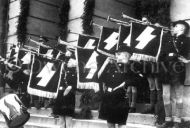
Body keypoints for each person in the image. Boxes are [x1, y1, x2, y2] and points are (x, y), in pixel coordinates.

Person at [158, 20, 190, 128]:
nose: (173, 27)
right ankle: (168, 120)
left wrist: (187, 60)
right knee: (165, 95)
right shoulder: (168, 39)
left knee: (178, 96)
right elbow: (162, 54)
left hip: (178, 70)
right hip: (166, 69)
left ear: (182, 28)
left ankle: (177, 121)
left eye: (176, 26)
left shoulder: (187, 40)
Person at [98, 45, 132, 128]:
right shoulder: (111, 66)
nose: (116, 56)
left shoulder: (130, 67)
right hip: (109, 98)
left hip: (121, 98)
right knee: (110, 123)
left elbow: (137, 79)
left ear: (126, 55)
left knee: (121, 123)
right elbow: (99, 77)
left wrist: (125, 84)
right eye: (116, 54)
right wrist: (106, 63)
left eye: (119, 54)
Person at [52, 49, 77, 128]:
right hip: (60, 94)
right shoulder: (63, 71)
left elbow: (73, 84)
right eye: (68, 61)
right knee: (61, 118)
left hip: (69, 95)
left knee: (68, 118)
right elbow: (55, 65)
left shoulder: (74, 73)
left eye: (70, 61)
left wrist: (67, 90)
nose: (68, 62)